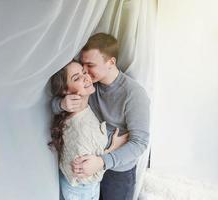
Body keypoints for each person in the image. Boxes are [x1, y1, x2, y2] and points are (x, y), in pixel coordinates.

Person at [51, 33, 150, 200]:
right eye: (83, 66)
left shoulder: (134, 94)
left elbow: (140, 143)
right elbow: (54, 104)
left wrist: (103, 161)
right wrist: (61, 104)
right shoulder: (89, 86)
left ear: (111, 62)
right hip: (88, 169)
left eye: (90, 65)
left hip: (117, 172)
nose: (86, 73)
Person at [49, 61, 128, 200]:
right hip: (83, 191)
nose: (85, 77)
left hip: (75, 186)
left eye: (84, 72)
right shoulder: (82, 129)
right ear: (66, 91)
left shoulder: (76, 111)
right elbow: (90, 174)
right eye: (77, 78)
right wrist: (114, 147)